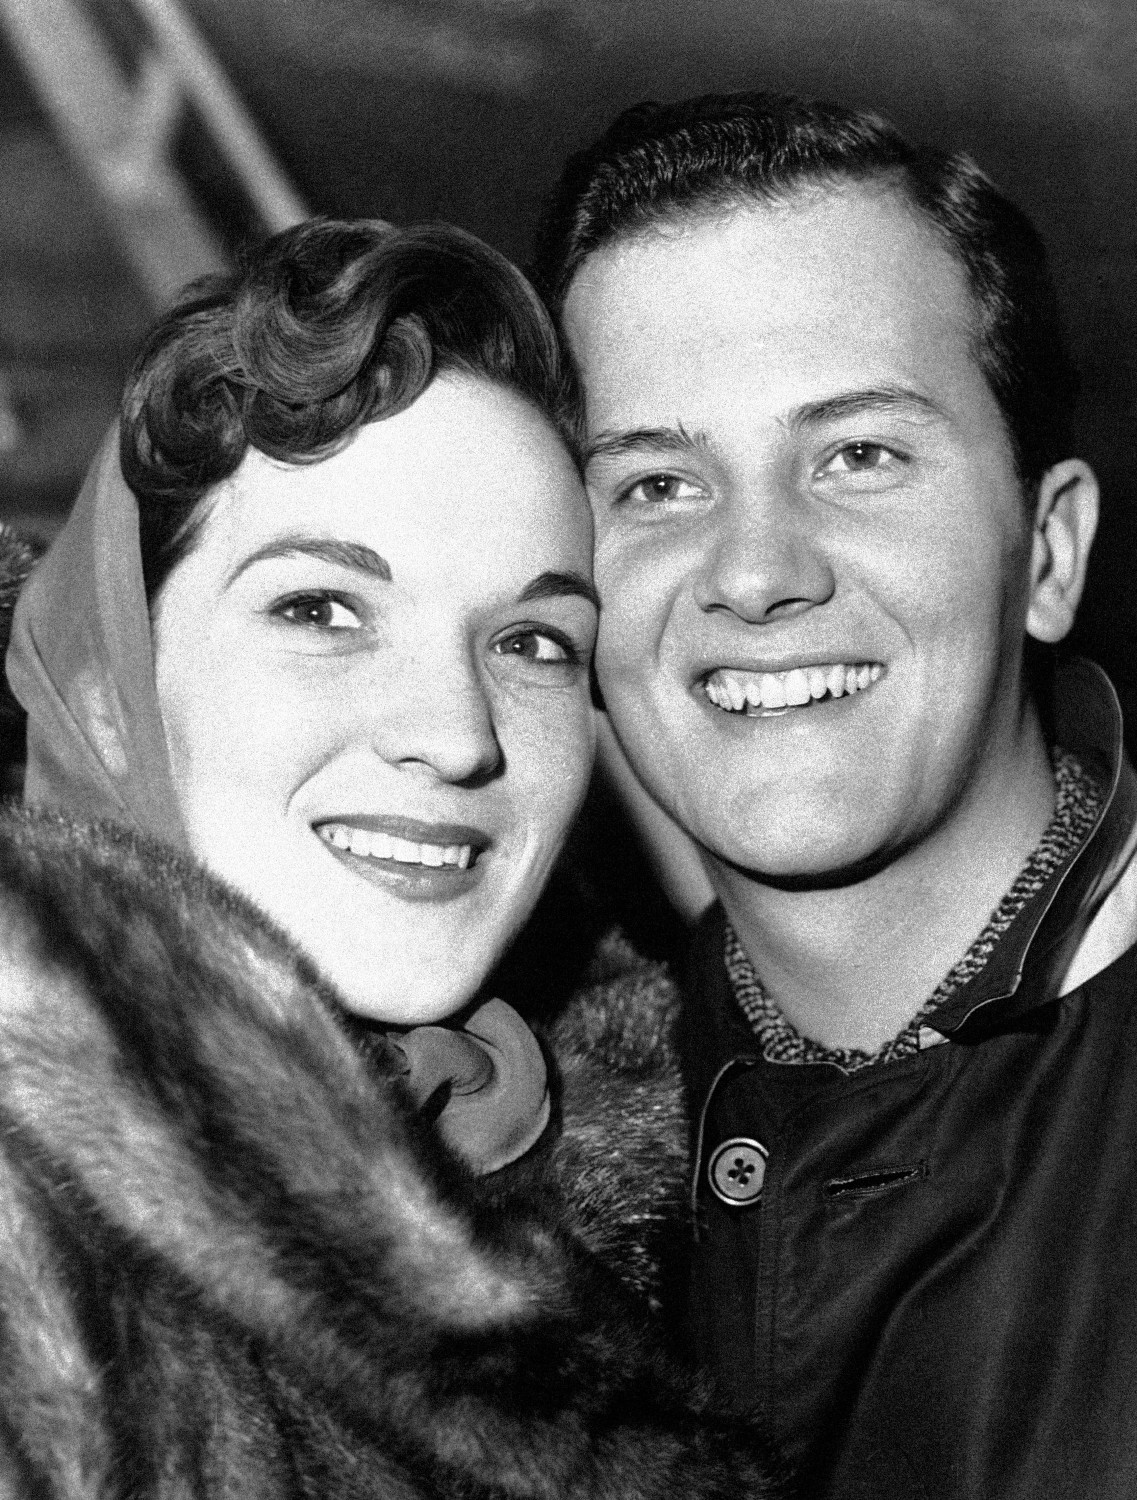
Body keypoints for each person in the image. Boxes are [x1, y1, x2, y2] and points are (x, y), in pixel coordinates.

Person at [0, 219, 782, 1498]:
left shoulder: (678, 1173)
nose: (457, 735)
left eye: (532, 642)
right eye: (322, 609)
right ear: (109, 677)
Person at [532, 92, 1137, 1498]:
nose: (754, 571)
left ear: (1046, 555)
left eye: (857, 455)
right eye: (658, 483)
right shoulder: (508, 1165)